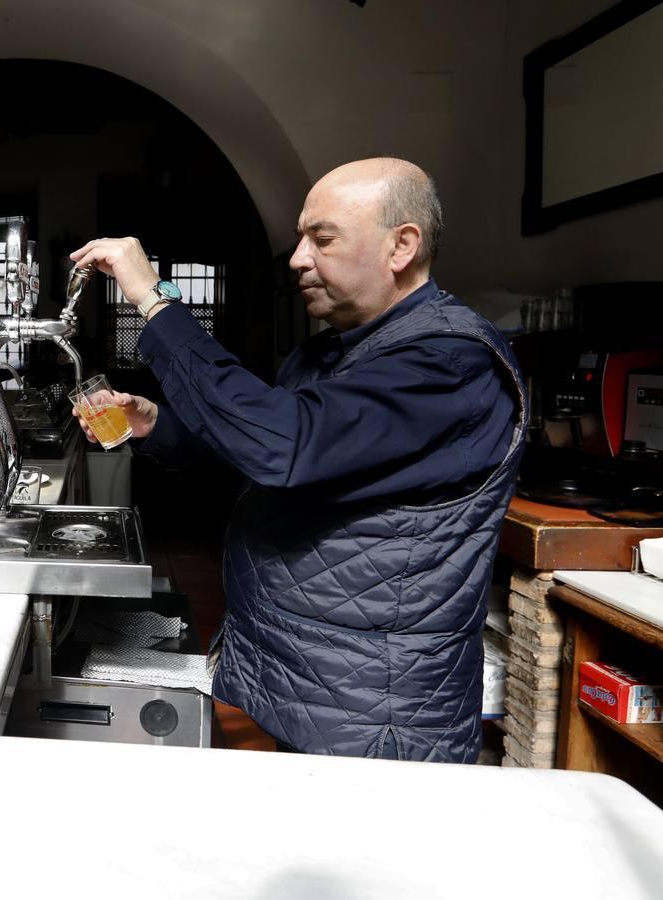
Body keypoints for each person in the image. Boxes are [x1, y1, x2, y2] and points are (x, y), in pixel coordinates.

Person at [70, 158, 527, 763]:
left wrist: (155, 300)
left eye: (324, 239)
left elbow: (281, 445)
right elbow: (259, 454)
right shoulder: (337, 352)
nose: (297, 258)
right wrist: (154, 424)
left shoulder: (445, 364)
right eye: (300, 237)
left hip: (376, 708)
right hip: (314, 683)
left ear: (402, 245)